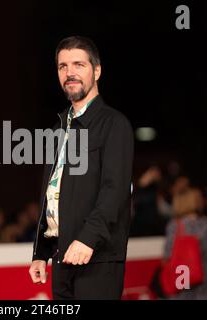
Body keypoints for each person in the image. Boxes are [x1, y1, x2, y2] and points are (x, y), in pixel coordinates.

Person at [29, 36, 134, 299]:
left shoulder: (114, 124)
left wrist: (88, 238)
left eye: (78, 64)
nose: (69, 73)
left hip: (97, 259)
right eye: (63, 66)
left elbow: (116, 190)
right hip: (62, 258)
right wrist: (41, 252)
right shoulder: (57, 130)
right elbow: (52, 194)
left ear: (96, 71)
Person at [163, 188, 207, 299]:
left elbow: (168, 253)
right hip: (202, 278)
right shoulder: (205, 224)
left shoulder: (174, 226)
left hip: (181, 278)